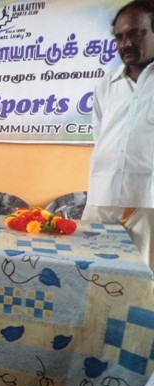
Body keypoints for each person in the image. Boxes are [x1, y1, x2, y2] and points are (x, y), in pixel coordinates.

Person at [82, 0, 154, 272]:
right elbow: (100, 137)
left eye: (136, 34)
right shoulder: (106, 85)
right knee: (90, 274)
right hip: (102, 198)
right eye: (120, 37)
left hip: (148, 202)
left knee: (144, 282)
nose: (127, 44)